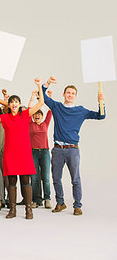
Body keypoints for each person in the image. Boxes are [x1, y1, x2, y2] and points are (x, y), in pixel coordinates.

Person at [42, 76, 106, 215]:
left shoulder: (80, 111)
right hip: (58, 150)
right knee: (56, 178)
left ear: (75, 96)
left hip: (72, 150)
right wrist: (47, 83)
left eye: (73, 93)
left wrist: (101, 102)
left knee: (75, 179)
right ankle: (60, 203)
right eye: (68, 92)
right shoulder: (57, 106)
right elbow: (43, 95)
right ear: (64, 94)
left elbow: (100, 116)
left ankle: (77, 205)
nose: (70, 95)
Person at [0, 78, 44, 220]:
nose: (14, 104)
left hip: (24, 153)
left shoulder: (25, 114)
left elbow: (41, 103)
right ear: (9, 106)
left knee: (25, 181)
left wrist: (39, 86)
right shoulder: (4, 117)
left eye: (16, 102)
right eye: (11, 102)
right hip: (10, 154)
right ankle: (12, 210)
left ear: (19, 104)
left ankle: (29, 210)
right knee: (11, 182)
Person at [28, 90, 52, 209]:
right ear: (33, 116)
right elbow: (28, 110)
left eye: (39, 114)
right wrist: (32, 98)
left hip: (45, 152)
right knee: (34, 178)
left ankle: (47, 198)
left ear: (42, 117)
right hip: (33, 152)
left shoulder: (45, 124)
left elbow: (50, 111)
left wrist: (49, 98)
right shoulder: (30, 124)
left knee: (46, 177)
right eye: (35, 114)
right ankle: (35, 200)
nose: (37, 116)